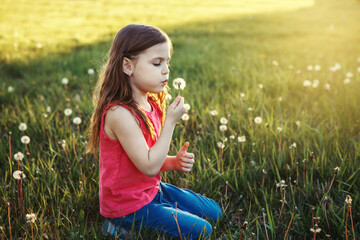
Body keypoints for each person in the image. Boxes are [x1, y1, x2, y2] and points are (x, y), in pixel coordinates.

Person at [87, 24, 222, 239]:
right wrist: (170, 123)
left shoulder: (151, 104)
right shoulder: (119, 114)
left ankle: (160, 213)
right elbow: (149, 166)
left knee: (215, 212)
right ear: (128, 66)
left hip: (152, 191)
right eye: (157, 63)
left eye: (167, 62)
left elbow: (149, 158)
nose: (166, 70)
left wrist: (173, 163)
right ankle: (118, 227)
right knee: (203, 231)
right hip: (128, 206)